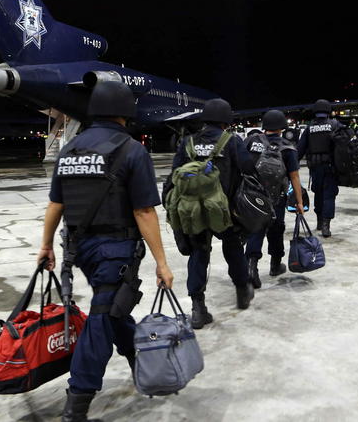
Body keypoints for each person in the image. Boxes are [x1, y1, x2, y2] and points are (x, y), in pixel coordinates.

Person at [37, 81, 174, 422]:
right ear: (126, 112)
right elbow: (144, 211)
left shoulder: (70, 150)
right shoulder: (131, 150)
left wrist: (46, 245)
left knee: (113, 309)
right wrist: (162, 262)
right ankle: (78, 399)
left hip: (79, 250)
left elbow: (56, 204)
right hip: (115, 250)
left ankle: (139, 361)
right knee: (101, 319)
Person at [170, 98, 256, 329]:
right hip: (223, 211)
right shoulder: (232, 141)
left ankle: (198, 308)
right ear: (226, 121)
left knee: (198, 253)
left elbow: (173, 176)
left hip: (193, 211)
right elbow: (249, 170)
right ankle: (242, 291)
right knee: (233, 248)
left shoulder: (188, 142)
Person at [244, 110, 304, 288]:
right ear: (282, 128)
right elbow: (294, 177)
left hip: (252, 196)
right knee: (276, 229)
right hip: (276, 197)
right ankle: (275, 265)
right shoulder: (287, 147)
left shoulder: (251, 141)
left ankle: (251, 267)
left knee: (256, 229)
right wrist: (299, 201)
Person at [297, 99, 342, 237]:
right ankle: (326, 226)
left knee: (318, 193)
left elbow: (300, 149)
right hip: (331, 167)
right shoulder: (335, 125)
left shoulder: (309, 128)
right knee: (329, 195)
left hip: (315, 167)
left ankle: (319, 221)